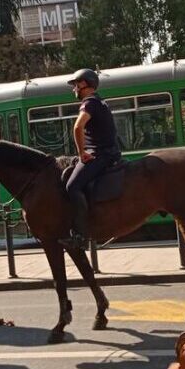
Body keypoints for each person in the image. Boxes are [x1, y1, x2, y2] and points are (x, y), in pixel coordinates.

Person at [59, 68, 121, 250]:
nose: (74, 90)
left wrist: (81, 153)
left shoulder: (89, 103)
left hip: (100, 154)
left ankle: (81, 234)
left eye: (76, 85)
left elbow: (78, 128)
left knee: (72, 186)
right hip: (110, 152)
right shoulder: (101, 101)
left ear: (85, 84)